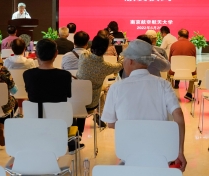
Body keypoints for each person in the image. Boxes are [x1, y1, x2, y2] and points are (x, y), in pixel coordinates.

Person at [101, 40, 187, 170]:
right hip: (160, 156)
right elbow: (178, 115)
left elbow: (111, 123)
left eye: (124, 59)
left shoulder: (116, 87)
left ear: (130, 61)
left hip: (129, 155)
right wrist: (179, 151)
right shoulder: (163, 84)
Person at [77, 34, 123, 129]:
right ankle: (101, 116)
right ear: (106, 49)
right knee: (105, 88)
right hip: (91, 103)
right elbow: (119, 66)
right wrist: (123, 56)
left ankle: (78, 131)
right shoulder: (105, 67)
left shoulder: (83, 56)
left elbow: (89, 51)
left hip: (76, 98)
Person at [168, 29, 197, 100]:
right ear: (188, 36)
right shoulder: (192, 46)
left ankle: (171, 93)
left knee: (168, 73)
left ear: (178, 36)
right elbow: (194, 61)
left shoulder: (173, 45)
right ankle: (189, 93)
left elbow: (170, 61)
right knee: (194, 73)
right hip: (189, 72)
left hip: (174, 72)